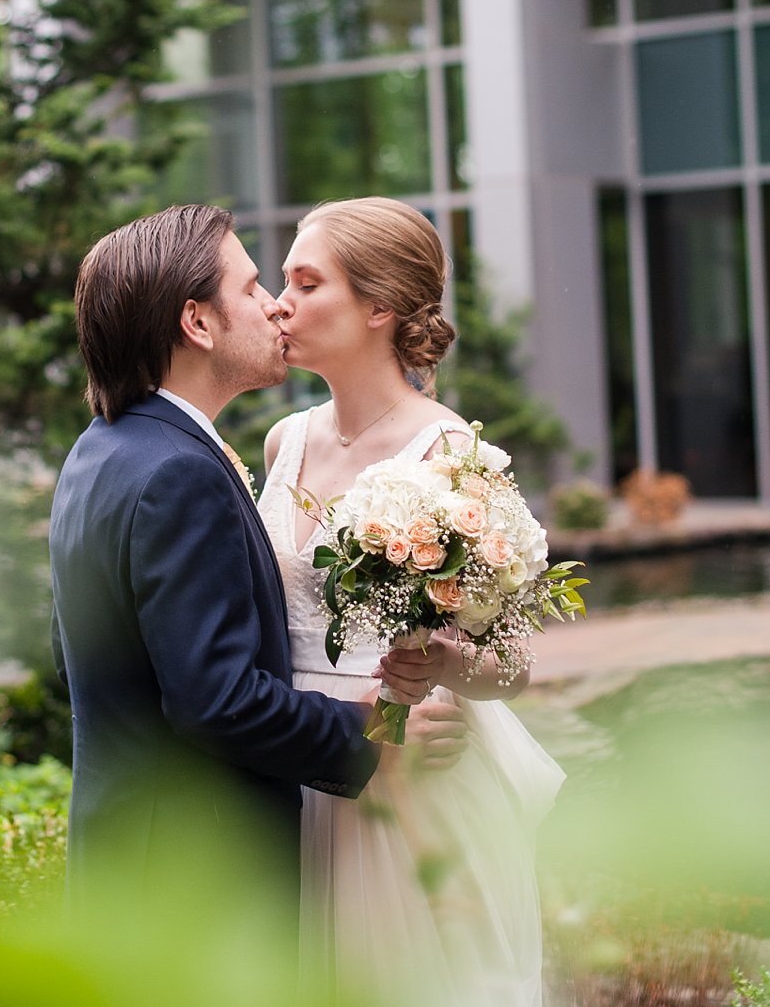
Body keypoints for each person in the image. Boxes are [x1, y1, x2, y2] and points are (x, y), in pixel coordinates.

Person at [48, 203, 466, 941]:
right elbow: (217, 699)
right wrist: (374, 734)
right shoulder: (181, 471)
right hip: (195, 883)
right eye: (250, 288)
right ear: (198, 323)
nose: (274, 305)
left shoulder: (103, 450)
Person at [261, 197, 565, 1006]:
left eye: (305, 279)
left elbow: (515, 664)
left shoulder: (453, 454)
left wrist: (448, 663)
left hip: (416, 782)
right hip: (306, 766)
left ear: (378, 307)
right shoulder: (282, 441)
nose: (277, 298)